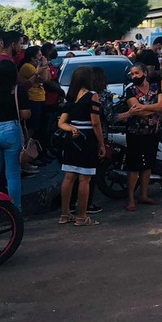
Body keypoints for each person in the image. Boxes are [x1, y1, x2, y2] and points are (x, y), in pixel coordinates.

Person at [57, 66, 105, 226]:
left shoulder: (71, 97)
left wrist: (72, 129)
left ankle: (65, 214)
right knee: (85, 178)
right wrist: (101, 143)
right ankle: (81, 216)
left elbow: (61, 122)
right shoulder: (92, 96)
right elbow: (95, 122)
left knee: (69, 176)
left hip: (72, 139)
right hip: (87, 139)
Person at [0, 60, 30, 211]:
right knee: (13, 175)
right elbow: (25, 114)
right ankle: (15, 211)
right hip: (11, 130)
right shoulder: (18, 90)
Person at [117, 63, 162, 213]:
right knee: (134, 166)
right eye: (132, 74)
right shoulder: (130, 90)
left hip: (153, 131)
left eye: (137, 73)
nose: (134, 76)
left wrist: (144, 108)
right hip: (135, 133)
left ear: (144, 73)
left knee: (148, 164)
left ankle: (144, 195)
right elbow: (135, 111)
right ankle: (130, 199)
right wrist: (152, 108)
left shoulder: (155, 87)